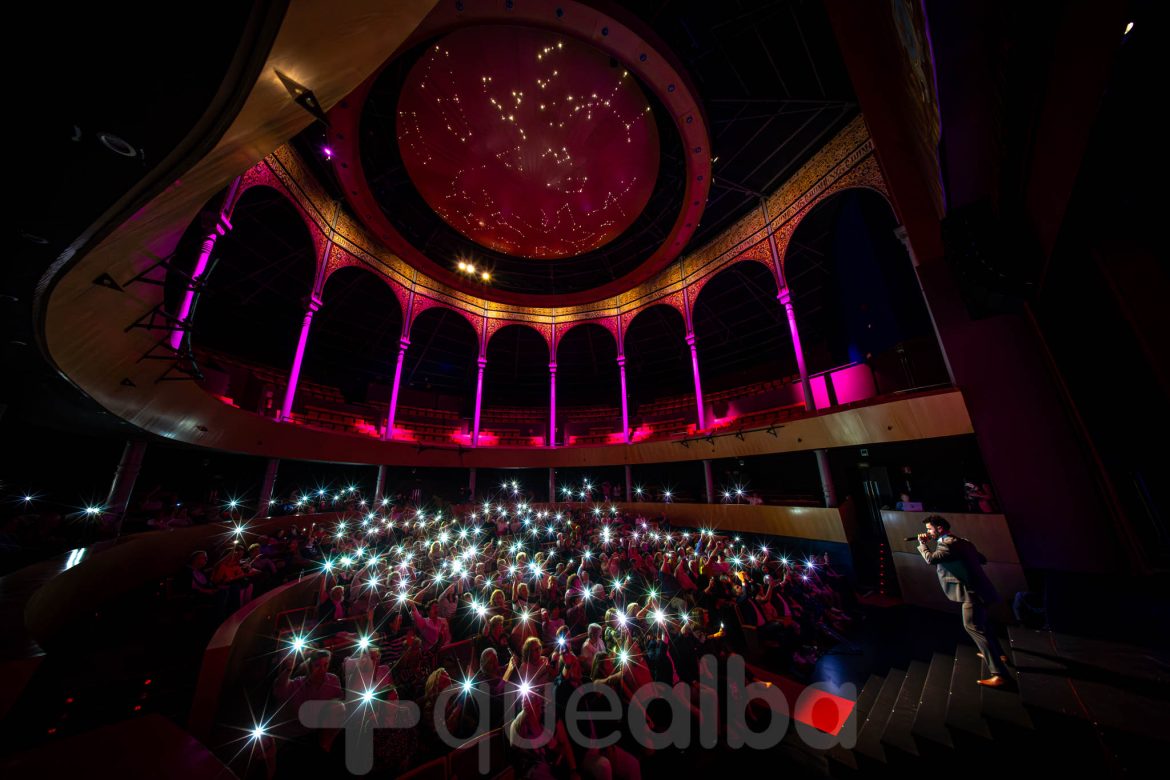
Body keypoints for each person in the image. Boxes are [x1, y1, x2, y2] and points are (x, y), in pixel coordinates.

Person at [917, 515, 1010, 687]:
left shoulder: (947, 544)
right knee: (982, 625)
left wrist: (922, 544)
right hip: (982, 590)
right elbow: (982, 559)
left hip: (971, 593)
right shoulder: (963, 542)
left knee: (972, 627)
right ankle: (998, 654)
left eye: (929, 529)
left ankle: (999, 674)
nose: (927, 532)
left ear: (939, 528)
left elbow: (930, 559)